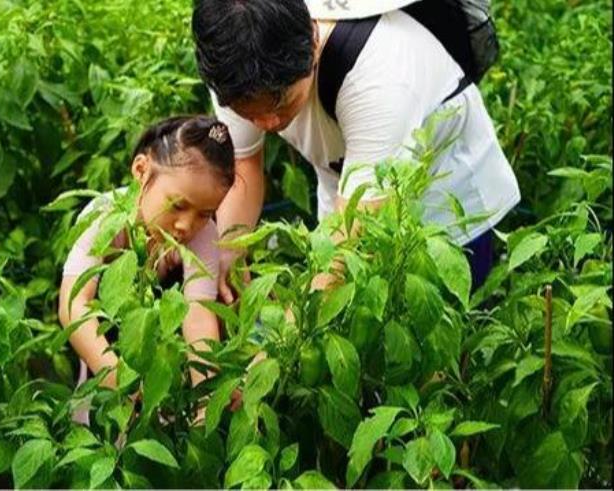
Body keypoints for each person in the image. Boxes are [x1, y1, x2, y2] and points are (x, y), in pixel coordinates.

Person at [192, 0, 520, 296]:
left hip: (444, 200)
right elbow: (244, 166)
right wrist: (228, 253)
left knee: (444, 319)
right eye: (248, 112)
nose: (267, 122)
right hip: (347, 191)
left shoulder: (378, 79)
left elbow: (354, 240)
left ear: (313, 42)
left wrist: (283, 346)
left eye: (282, 102)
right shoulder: (234, 64)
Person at [58, 115, 239, 423]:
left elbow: (197, 314)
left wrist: (206, 397)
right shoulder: (104, 217)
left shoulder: (204, 234)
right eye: (178, 206)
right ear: (141, 170)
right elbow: (74, 304)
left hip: (165, 370)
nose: (186, 225)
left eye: (204, 214)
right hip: (104, 360)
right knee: (100, 430)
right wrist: (121, 381)